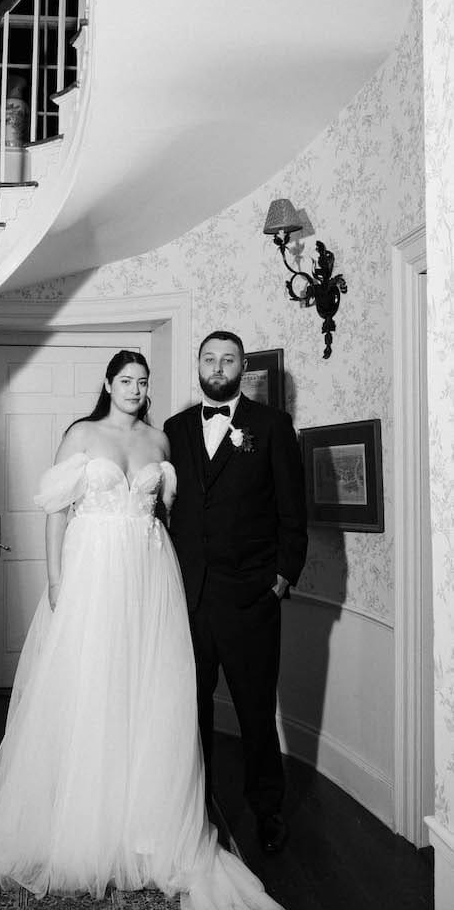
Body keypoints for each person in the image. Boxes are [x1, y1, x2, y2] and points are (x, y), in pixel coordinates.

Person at [0, 350, 293, 910]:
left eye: (143, 381)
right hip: (93, 574)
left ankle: (145, 817)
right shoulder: (81, 434)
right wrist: (56, 580)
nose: (135, 388)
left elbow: (176, 516)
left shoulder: (162, 440)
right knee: (94, 687)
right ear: (109, 383)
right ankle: (86, 818)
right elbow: (55, 512)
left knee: (148, 692)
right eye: (126, 380)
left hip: (150, 575)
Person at [164, 331, 308, 855]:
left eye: (228, 360)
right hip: (189, 597)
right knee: (191, 707)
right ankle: (196, 804)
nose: (218, 367)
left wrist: (284, 574)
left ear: (242, 367)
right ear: (198, 364)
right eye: (210, 358)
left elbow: (293, 508)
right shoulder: (175, 429)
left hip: (251, 597)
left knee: (254, 710)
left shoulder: (271, 426)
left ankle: (266, 809)